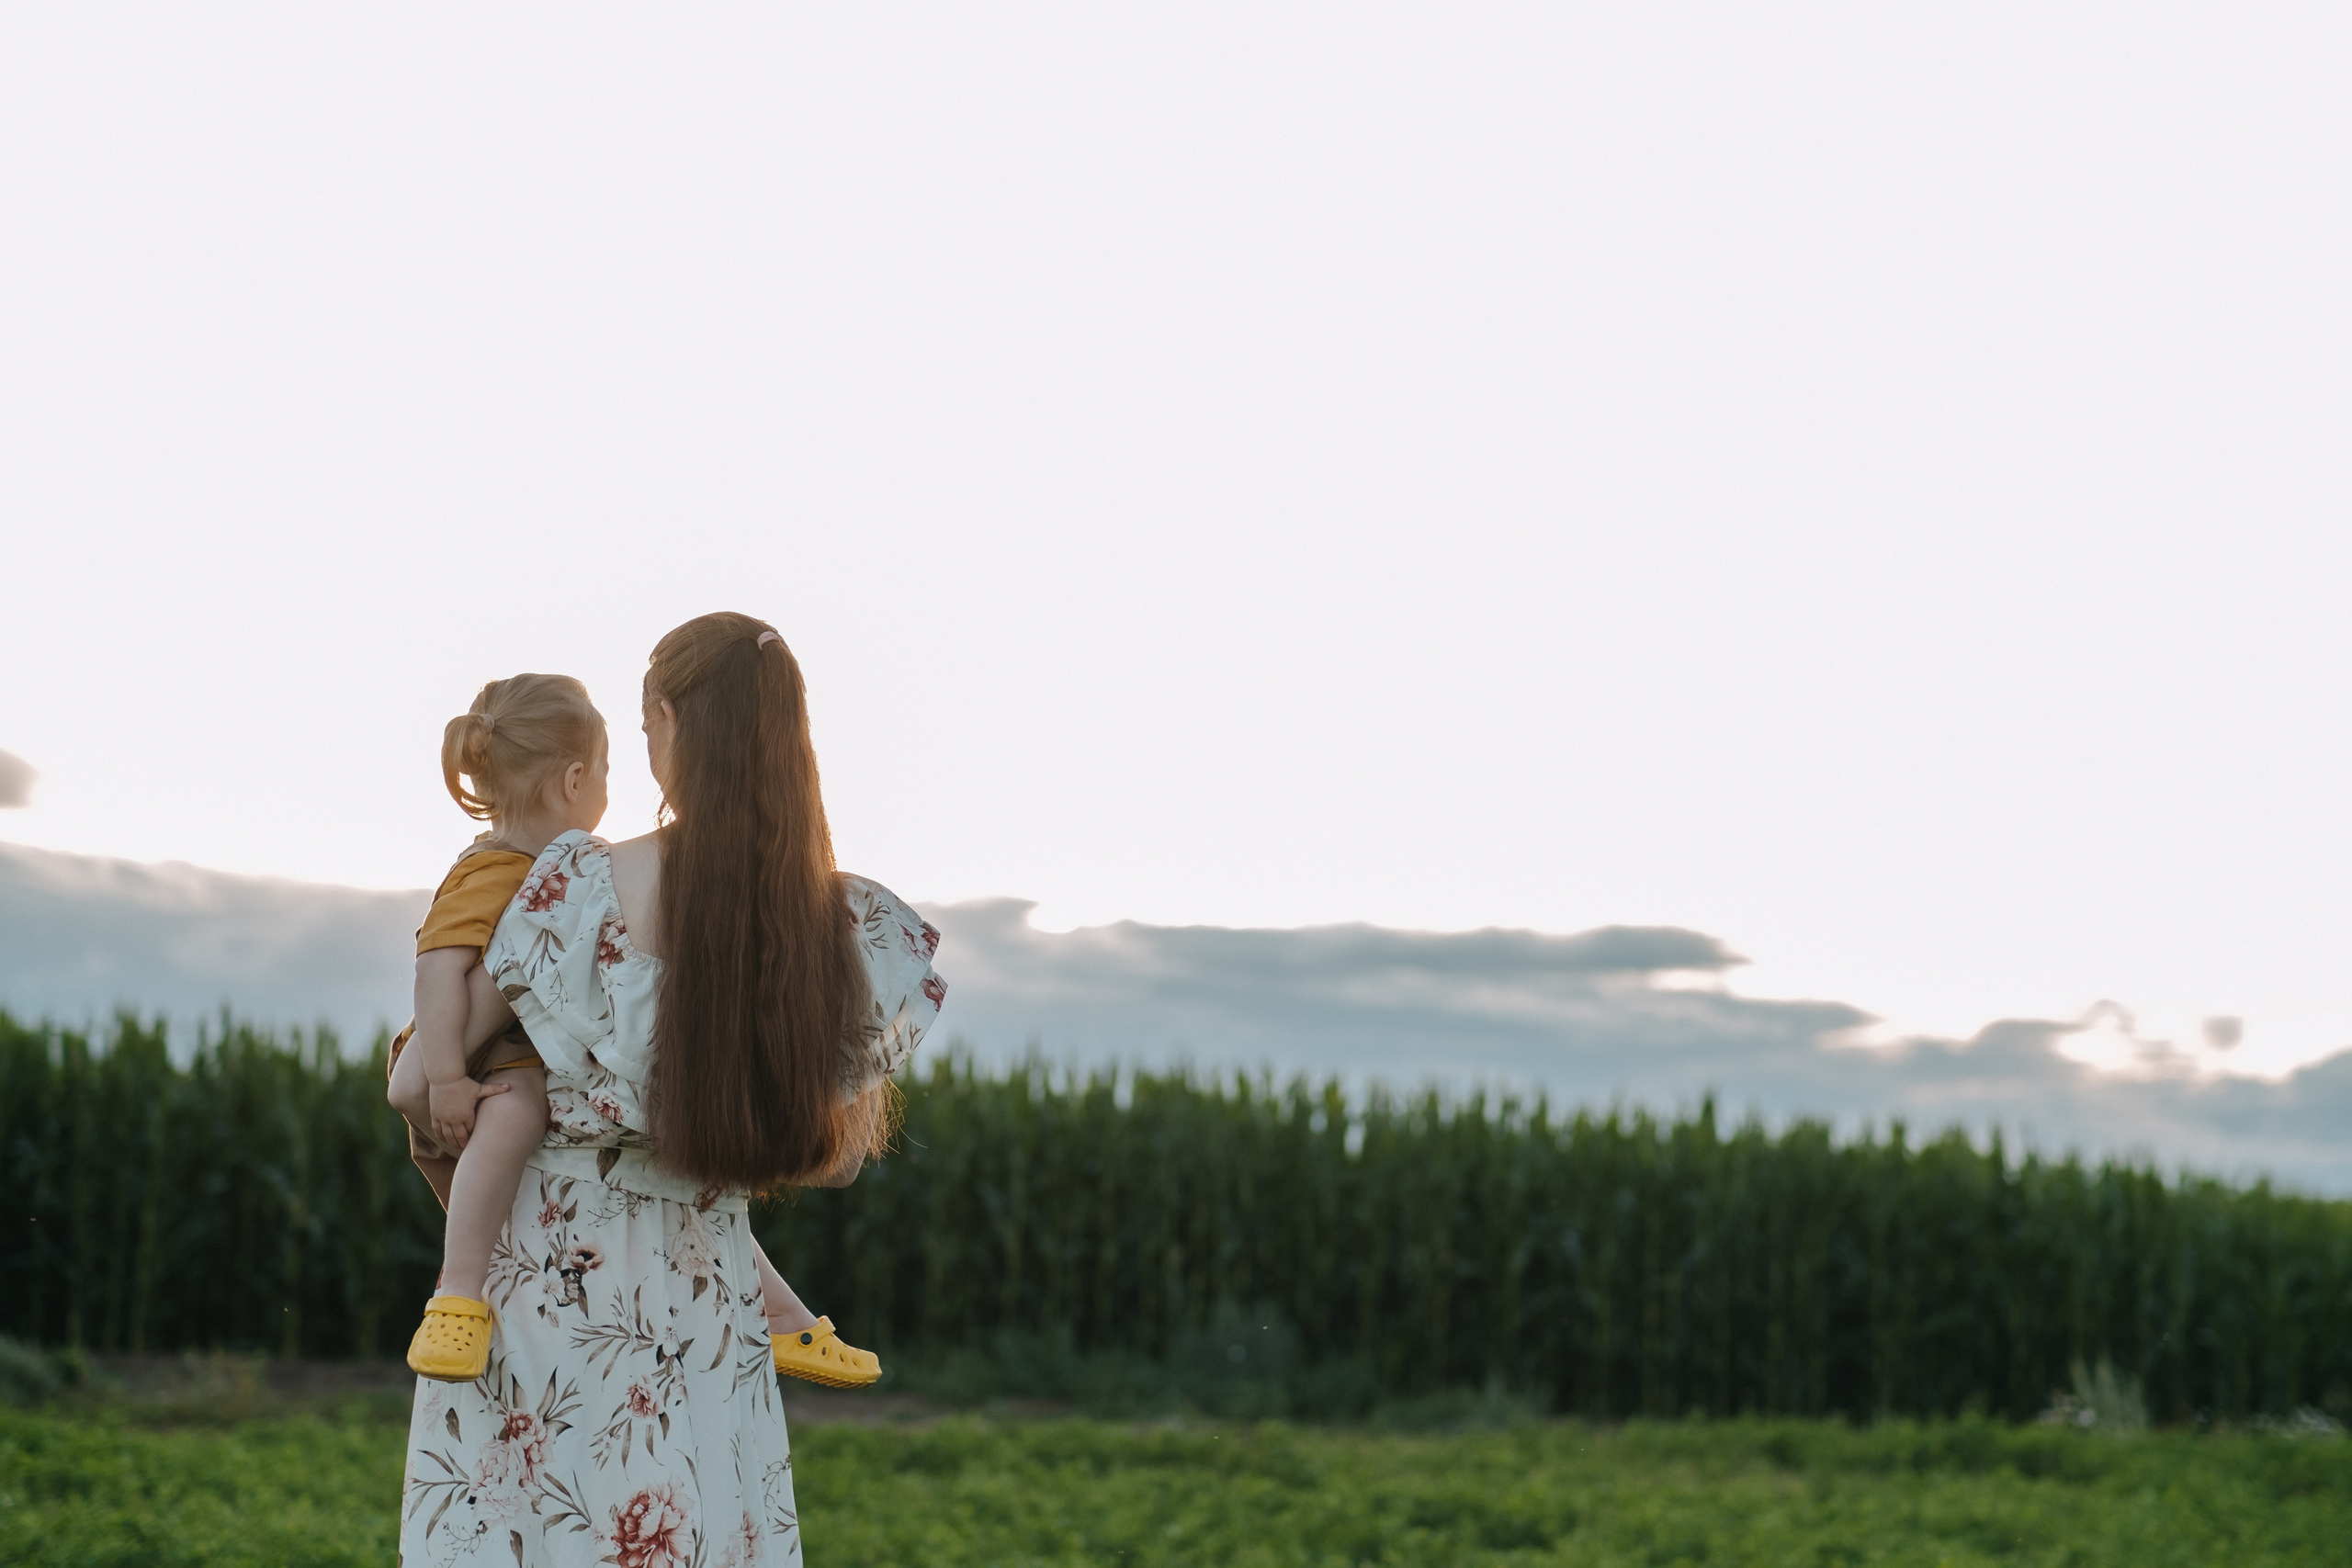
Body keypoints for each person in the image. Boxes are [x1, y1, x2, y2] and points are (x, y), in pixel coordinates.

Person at [397, 614, 944, 1566]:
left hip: (560, 1281)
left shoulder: (580, 888)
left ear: (665, 719)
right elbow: (841, 1153)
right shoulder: (834, 925)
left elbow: (417, 1082)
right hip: (711, 1290)